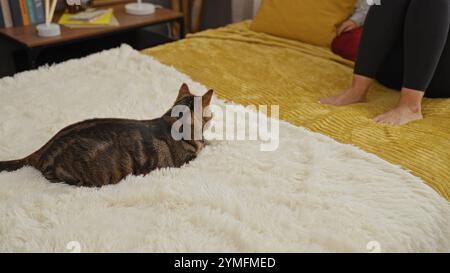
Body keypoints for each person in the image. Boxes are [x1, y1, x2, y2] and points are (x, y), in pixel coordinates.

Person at [321, 0, 450, 125]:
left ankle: (411, 107)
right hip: (388, 72)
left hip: (437, 78)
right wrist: (356, 19)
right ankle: (357, 91)